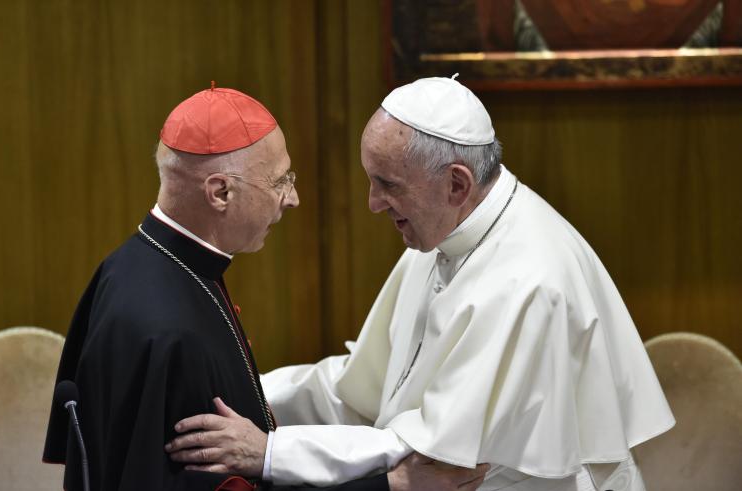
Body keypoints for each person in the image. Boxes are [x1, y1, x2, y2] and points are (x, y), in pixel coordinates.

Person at [166, 76, 676, 491]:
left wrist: (270, 452)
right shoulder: (445, 233)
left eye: (387, 185)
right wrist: (244, 390)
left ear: (456, 183)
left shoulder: (527, 281)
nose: (372, 204)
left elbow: (426, 455)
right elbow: (363, 391)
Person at [43, 84, 488, 491]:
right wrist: (393, 486)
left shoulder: (130, 267)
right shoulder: (169, 331)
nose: (292, 199)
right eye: (280, 182)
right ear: (220, 193)